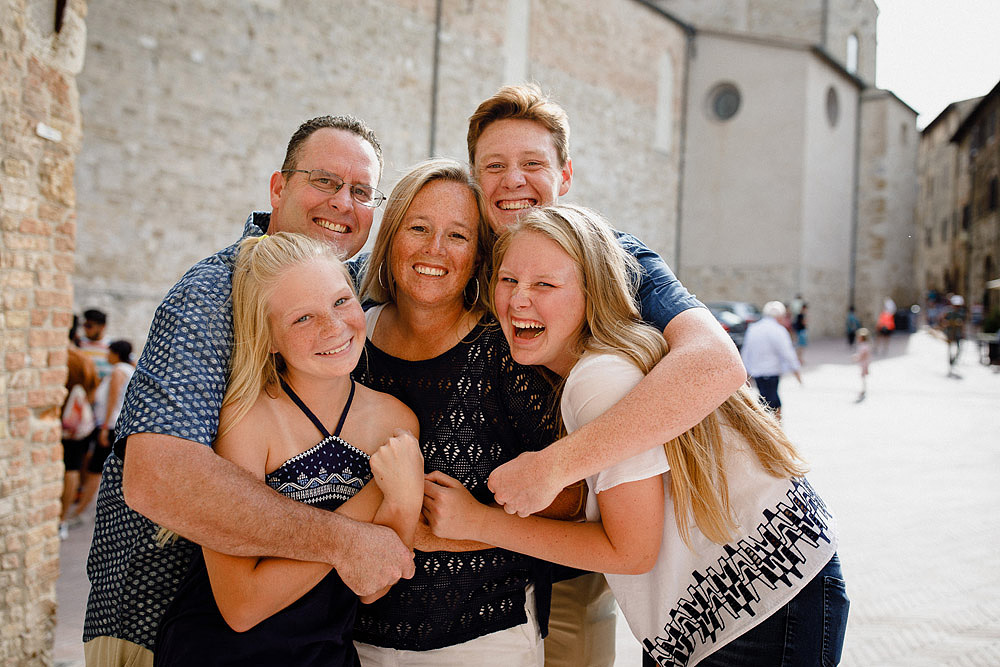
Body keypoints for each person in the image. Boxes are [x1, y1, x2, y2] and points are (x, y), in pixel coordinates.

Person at [422, 205, 848, 667]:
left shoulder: (596, 379)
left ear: (593, 293)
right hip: (756, 592)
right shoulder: (608, 360)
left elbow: (631, 551)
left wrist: (478, 522)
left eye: (544, 284)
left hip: (759, 610)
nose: (519, 299)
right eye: (508, 281)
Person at [84, 115, 416, 666]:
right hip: (156, 621)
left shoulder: (351, 300)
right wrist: (348, 539)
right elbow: (158, 475)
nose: (343, 203)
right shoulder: (214, 294)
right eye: (325, 181)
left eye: (361, 191)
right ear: (278, 187)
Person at [466, 83, 747, 667]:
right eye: (494, 165)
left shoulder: (615, 260)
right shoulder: (459, 261)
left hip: (585, 568)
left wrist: (555, 468)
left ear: (564, 176)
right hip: (465, 568)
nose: (513, 180)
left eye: (532, 163)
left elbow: (716, 362)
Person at [155, 233, 424, 666]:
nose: (333, 327)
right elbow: (241, 606)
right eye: (303, 319)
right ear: (270, 338)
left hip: (326, 652)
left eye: (340, 302)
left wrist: (406, 505)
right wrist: (380, 493)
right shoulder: (247, 419)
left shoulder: (396, 421)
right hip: (223, 653)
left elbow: (373, 585)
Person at [352, 158, 563, 665]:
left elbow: (569, 500)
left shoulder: (504, 349)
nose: (434, 250)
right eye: (418, 228)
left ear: (478, 257)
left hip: (484, 635)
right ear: (390, 239)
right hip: (351, 635)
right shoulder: (346, 339)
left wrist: (469, 528)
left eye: (458, 236)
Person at [72, 340, 136, 522]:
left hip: (110, 426)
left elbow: (112, 400)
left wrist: (105, 427)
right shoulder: (128, 370)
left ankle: (81, 512)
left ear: (116, 353)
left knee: (95, 470)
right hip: (117, 425)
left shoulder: (118, 372)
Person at [61, 317, 100, 539]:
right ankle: (62, 519)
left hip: (58, 422)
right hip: (77, 426)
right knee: (72, 469)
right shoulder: (83, 360)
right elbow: (92, 392)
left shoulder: (62, 357)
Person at [740, 301, 802, 421]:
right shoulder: (778, 330)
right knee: (773, 404)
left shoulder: (754, 328)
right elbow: (787, 353)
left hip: (757, 372)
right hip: (771, 372)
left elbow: (746, 351)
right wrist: (796, 371)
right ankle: (775, 431)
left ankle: (770, 430)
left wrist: (745, 372)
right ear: (779, 316)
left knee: (764, 401)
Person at [79, 308, 112, 380]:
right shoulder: (78, 344)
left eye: (89, 326)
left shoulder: (112, 346)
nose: (85, 329)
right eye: (84, 325)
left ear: (102, 326)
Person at [941, 294, 966, 378]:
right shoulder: (949, 312)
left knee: (959, 349)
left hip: (958, 333)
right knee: (950, 348)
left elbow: (963, 323)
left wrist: (962, 331)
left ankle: (954, 360)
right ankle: (950, 361)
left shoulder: (961, 313)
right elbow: (943, 320)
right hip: (950, 333)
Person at [853, 328, 872, 401]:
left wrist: (858, 358)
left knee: (863, 375)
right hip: (864, 362)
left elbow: (864, 354)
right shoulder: (863, 345)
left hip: (864, 362)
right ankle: (863, 388)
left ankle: (864, 388)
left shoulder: (864, 345)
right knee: (863, 375)